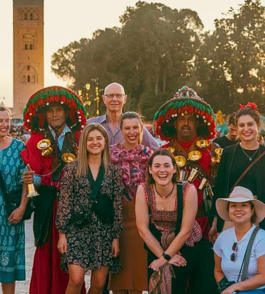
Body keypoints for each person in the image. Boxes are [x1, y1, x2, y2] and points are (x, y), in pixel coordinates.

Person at [21, 86, 87, 294]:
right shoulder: (34, 140)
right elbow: (35, 180)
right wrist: (31, 179)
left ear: (66, 112)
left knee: (72, 258)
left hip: (74, 207)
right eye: (51, 111)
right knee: (45, 256)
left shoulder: (79, 137)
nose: (56, 114)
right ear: (45, 114)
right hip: (47, 205)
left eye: (59, 109)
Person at [135, 149, 217, 294]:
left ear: (174, 169)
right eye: (157, 166)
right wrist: (164, 256)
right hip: (158, 241)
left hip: (189, 243)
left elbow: (186, 231)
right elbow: (143, 229)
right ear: (150, 169)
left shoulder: (187, 189)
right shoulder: (143, 189)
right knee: (159, 273)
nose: (162, 170)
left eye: (167, 165)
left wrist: (165, 257)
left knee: (187, 285)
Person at [56, 123, 124, 294]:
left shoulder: (113, 171)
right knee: (76, 279)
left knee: (99, 284)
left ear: (105, 141)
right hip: (77, 229)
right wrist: (62, 234)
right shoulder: (72, 169)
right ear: (84, 143)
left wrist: (115, 237)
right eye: (90, 139)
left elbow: (117, 206)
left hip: (103, 231)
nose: (95, 142)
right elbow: (65, 202)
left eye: (99, 138)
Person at [154, 85, 219, 238]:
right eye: (181, 119)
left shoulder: (212, 151)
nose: (185, 123)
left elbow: (220, 192)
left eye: (190, 119)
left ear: (197, 123)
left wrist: (216, 222)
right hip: (169, 226)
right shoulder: (161, 152)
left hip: (205, 225)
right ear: (174, 123)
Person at [109, 112, 152, 294]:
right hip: (116, 217)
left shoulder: (149, 155)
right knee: (117, 278)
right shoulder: (110, 154)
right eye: (127, 128)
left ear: (141, 129)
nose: (132, 132)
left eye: (136, 127)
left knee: (137, 277)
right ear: (121, 130)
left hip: (140, 219)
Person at [211, 102, 265, 238]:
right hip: (231, 216)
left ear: (258, 126)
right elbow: (220, 187)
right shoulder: (228, 153)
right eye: (242, 125)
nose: (246, 129)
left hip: (259, 217)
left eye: (250, 124)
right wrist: (215, 221)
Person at [214, 186, 265, 294]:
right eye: (233, 205)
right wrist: (224, 287)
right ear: (229, 211)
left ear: (252, 211)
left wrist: (234, 287)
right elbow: (218, 270)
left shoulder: (261, 238)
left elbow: (263, 277)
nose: (238, 209)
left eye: (244, 205)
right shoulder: (222, 237)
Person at [0, 106, 28, 294]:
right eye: (0, 121)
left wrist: (22, 208)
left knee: (8, 267)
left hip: (10, 214)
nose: (4, 125)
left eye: (6, 120)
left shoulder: (19, 147)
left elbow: (27, 182)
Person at [87, 82, 159, 151]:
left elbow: (157, 151)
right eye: (110, 95)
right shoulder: (91, 124)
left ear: (125, 99)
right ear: (104, 99)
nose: (114, 99)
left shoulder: (135, 126)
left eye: (118, 95)